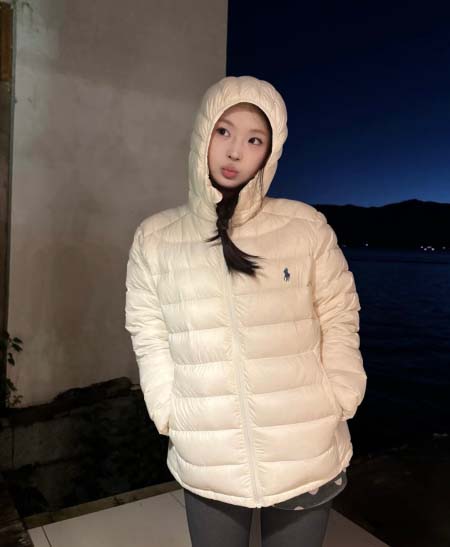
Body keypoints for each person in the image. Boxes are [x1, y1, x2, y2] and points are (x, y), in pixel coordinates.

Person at [125, 75, 367, 546]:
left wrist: (341, 391)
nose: (235, 152)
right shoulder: (155, 238)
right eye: (224, 131)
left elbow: (339, 312)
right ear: (203, 133)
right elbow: (147, 329)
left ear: (269, 154)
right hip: (208, 451)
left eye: (254, 140)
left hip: (305, 447)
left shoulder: (304, 226)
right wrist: (167, 408)